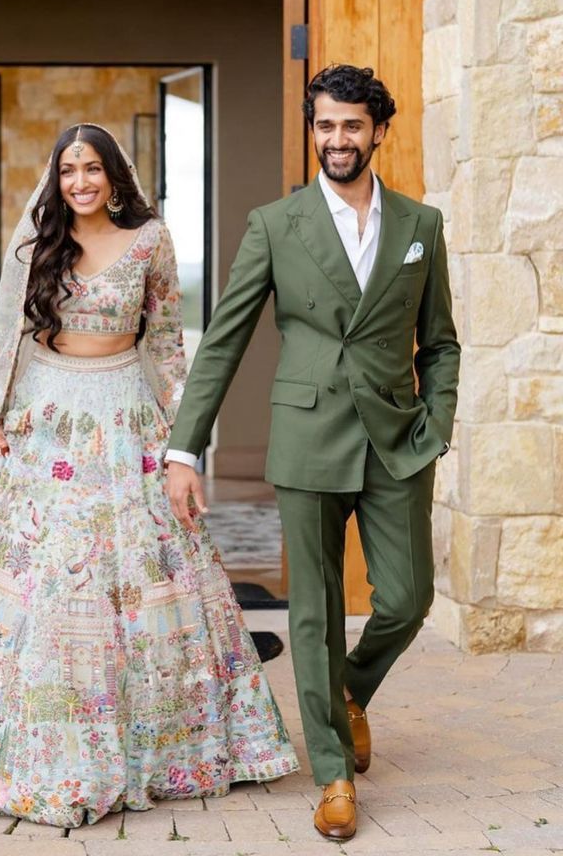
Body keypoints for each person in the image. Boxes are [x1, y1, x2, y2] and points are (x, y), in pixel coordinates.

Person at [0, 123, 298, 828]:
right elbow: (11, 337)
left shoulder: (151, 240)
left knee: (142, 578)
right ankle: (37, 750)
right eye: (68, 170)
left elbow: (167, 345)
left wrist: (183, 449)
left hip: (126, 414)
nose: (80, 182)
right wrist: (0, 427)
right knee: (47, 578)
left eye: (92, 168)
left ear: (114, 175)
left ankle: (166, 749)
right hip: (46, 415)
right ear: (56, 179)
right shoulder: (39, 242)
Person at [165, 65, 461, 840]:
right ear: (314, 131)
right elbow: (223, 339)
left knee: (407, 598)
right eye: (325, 125)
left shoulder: (420, 226)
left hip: (398, 438)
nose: (337, 139)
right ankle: (331, 772)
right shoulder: (276, 224)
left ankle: (347, 693)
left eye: (352, 126)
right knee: (316, 611)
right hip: (308, 437)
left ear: (378, 133)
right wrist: (183, 447)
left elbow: (443, 342)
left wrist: (441, 419)